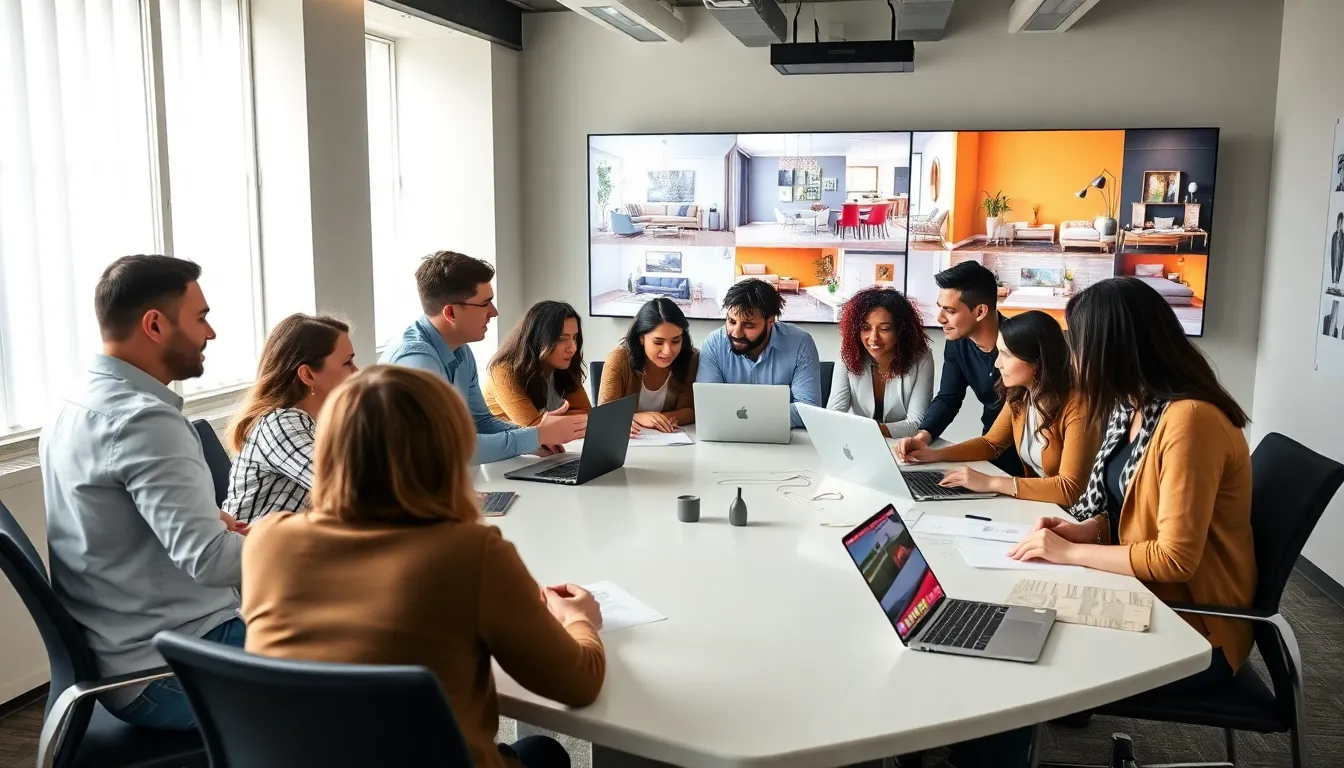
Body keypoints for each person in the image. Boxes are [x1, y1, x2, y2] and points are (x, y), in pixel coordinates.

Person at [243, 366, 604, 768]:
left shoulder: (267, 540)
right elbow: (579, 684)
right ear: (446, 447)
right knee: (546, 751)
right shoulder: (469, 553)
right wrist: (579, 621)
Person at [1010, 277, 1255, 695]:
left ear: (1112, 350)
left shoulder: (1190, 420)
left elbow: (1175, 560)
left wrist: (1070, 552)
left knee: (1019, 649)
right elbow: (1137, 511)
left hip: (1193, 625)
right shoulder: (1135, 408)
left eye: (1078, 344)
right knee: (1016, 614)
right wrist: (1089, 531)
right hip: (1151, 594)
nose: (1072, 358)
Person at [40, 255, 246, 730]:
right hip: (170, 668)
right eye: (201, 317)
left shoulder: (75, 403)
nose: (210, 333)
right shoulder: (144, 420)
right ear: (155, 324)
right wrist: (299, 539)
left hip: (121, 651)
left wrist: (205, 520)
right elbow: (211, 561)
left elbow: (114, 522)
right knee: (361, 666)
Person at [379, 251, 585, 461]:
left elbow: (481, 422)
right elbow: (449, 447)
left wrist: (536, 440)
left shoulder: (461, 350)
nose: (494, 312)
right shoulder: (416, 361)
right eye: (484, 303)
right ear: (450, 313)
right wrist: (535, 435)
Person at [898, 310, 1099, 506]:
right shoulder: (1021, 394)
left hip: (1076, 516)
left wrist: (990, 482)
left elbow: (1070, 489)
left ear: (1037, 361)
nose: (997, 363)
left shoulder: (1078, 406)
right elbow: (991, 444)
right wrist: (933, 454)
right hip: (1041, 506)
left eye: (1006, 355)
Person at [223, 314, 357, 524]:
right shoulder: (279, 424)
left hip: (295, 549)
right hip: (252, 553)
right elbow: (348, 489)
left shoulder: (319, 420)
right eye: (348, 362)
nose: (357, 371)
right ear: (308, 375)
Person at [895, 261, 1024, 477]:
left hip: (1027, 455)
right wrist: (922, 437)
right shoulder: (957, 342)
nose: (940, 318)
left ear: (980, 311)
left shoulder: (1020, 347)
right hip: (990, 447)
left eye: (949, 310)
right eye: (940, 307)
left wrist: (940, 455)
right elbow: (948, 398)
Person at [696, 278, 821, 428]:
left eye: (748, 325)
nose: (736, 333)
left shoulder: (800, 343)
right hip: (728, 437)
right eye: (732, 321)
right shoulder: (714, 344)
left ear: (770, 322)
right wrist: (772, 414)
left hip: (783, 443)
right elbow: (707, 407)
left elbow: (808, 411)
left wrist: (742, 415)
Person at [827, 286, 933, 438]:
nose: (873, 338)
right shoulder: (848, 355)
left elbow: (916, 423)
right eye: (865, 327)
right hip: (855, 444)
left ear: (901, 331)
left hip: (901, 445)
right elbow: (833, 415)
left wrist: (867, 431)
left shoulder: (922, 358)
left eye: (884, 329)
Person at [598, 297, 698, 432]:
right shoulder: (619, 359)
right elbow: (604, 412)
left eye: (675, 341)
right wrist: (638, 418)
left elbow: (689, 411)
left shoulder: (690, 359)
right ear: (641, 338)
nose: (668, 351)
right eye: (658, 342)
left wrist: (656, 419)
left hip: (671, 441)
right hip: (630, 443)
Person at [484, 300, 592, 427]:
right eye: (562, 338)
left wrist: (549, 421)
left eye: (574, 338)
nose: (572, 348)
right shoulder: (504, 371)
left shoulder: (564, 366)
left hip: (543, 444)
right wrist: (551, 421)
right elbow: (533, 427)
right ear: (537, 339)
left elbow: (587, 413)